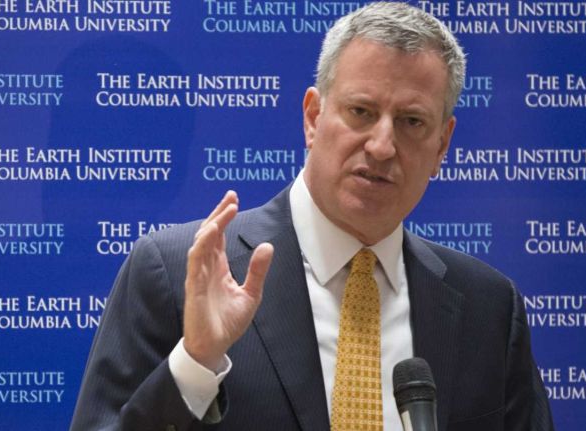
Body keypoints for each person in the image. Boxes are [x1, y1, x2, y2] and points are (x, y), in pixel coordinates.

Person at [71, 3, 554, 430]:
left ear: (442, 145)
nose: (383, 146)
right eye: (362, 111)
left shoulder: (489, 308)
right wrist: (196, 365)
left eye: (411, 122)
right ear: (313, 117)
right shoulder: (177, 270)